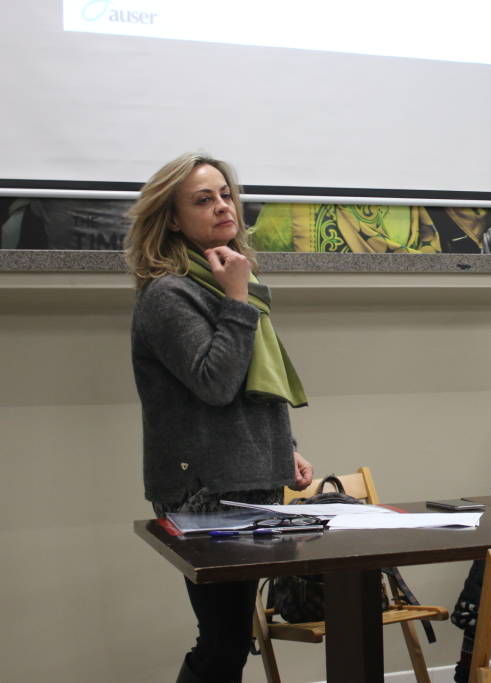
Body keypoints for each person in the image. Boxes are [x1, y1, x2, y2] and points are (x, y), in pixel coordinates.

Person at [125, 152, 314, 683]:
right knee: (224, 641)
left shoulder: (227, 282)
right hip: (204, 489)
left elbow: (257, 388)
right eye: (203, 200)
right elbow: (215, 384)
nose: (222, 206)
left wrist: (284, 448)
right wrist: (237, 299)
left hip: (250, 479)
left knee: (230, 639)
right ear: (172, 219)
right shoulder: (169, 293)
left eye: (225, 194)